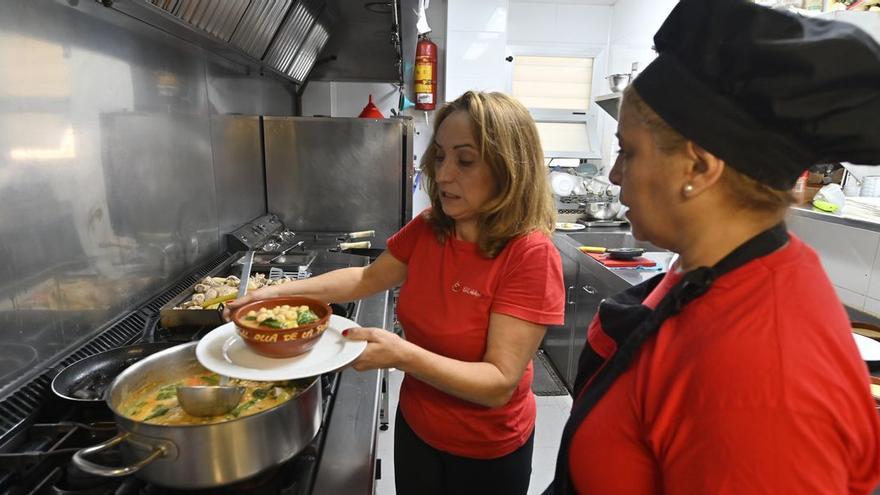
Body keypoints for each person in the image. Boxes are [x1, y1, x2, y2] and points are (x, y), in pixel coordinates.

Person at [547, 0, 880, 493]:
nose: (616, 175)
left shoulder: (762, 377)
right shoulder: (706, 272)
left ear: (699, 169)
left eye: (629, 151)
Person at [228, 91, 565, 495]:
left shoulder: (529, 255)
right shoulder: (430, 227)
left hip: (485, 452)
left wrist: (401, 354)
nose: (442, 175)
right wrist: (276, 295)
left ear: (508, 168)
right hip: (418, 429)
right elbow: (365, 279)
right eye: (439, 156)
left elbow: (497, 384)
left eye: (466, 160)